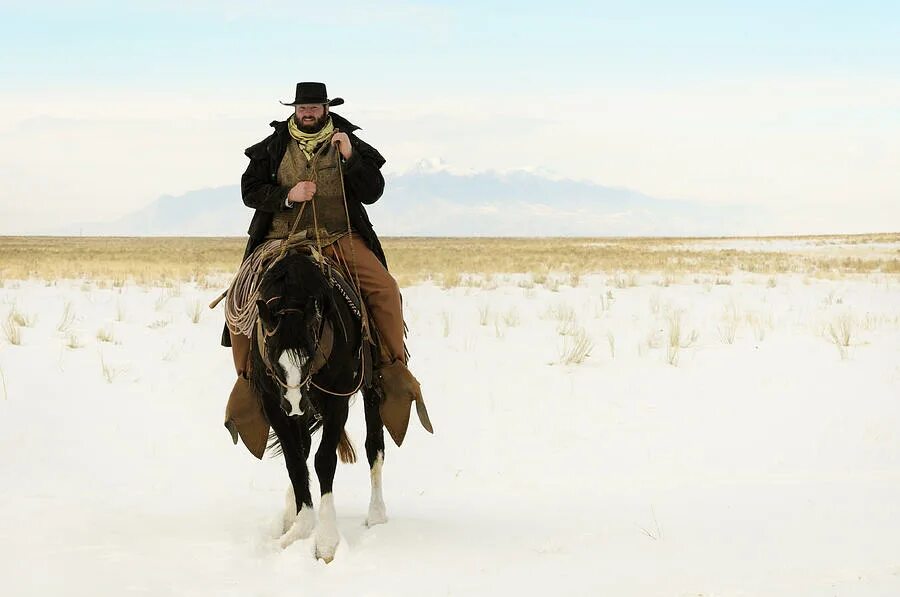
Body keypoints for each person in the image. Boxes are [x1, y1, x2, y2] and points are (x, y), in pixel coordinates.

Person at [221, 82, 428, 451]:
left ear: (326, 108)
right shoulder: (272, 147)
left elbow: (372, 191)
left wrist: (352, 159)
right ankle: (248, 381)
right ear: (295, 109)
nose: (308, 112)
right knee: (239, 299)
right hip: (282, 240)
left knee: (384, 289)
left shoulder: (348, 142)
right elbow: (249, 190)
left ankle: (392, 368)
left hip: (338, 237)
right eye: (303, 107)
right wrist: (287, 196)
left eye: (315, 106)